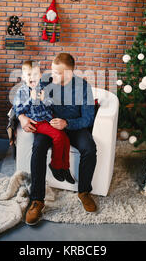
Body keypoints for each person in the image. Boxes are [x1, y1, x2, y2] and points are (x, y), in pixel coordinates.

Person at [17, 53, 98, 226]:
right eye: (52, 70)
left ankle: (84, 192)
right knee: (38, 147)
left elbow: (88, 118)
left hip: (74, 126)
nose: (52, 75)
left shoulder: (83, 87)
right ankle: (37, 200)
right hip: (48, 125)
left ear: (69, 73)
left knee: (89, 148)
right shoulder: (45, 80)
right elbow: (23, 93)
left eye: (57, 72)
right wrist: (21, 117)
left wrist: (66, 123)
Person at [13, 61, 75, 184]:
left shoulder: (43, 88)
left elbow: (50, 104)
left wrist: (44, 99)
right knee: (58, 136)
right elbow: (18, 108)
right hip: (38, 122)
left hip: (48, 118)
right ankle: (56, 165)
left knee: (66, 139)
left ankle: (65, 167)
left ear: (40, 76)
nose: (32, 77)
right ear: (24, 77)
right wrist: (31, 99)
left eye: (35, 74)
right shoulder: (21, 91)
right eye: (29, 75)